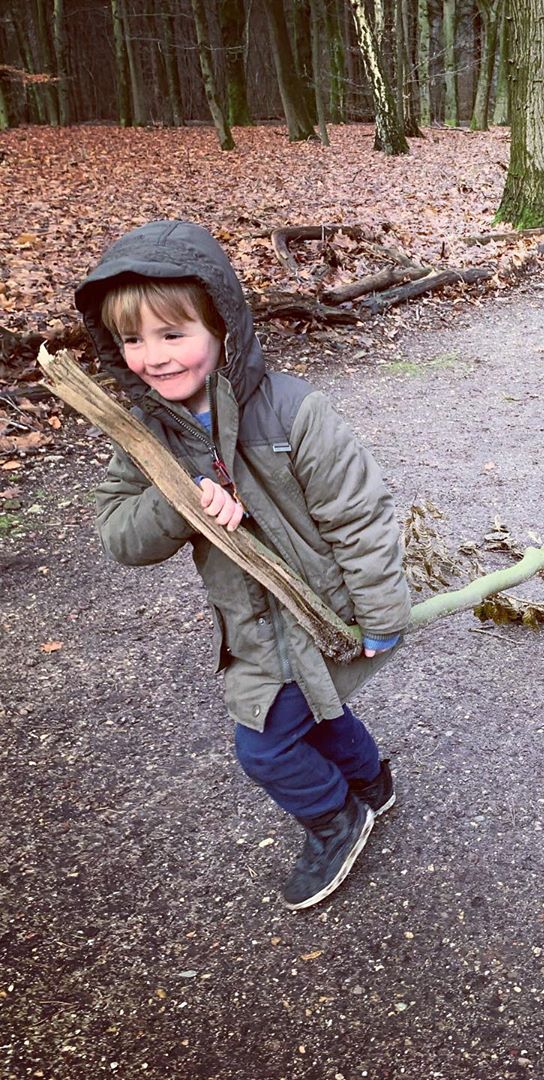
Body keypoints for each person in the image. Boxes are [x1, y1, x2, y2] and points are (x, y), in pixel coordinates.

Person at [75, 220, 411, 911]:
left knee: (265, 748)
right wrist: (178, 499)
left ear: (222, 327)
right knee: (314, 710)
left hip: (321, 608)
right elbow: (120, 536)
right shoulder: (147, 437)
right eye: (132, 340)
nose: (153, 357)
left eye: (173, 334)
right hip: (252, 626)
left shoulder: (293, 412)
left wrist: (381, 613)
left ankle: (335, 817)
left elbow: (359, 515)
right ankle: (370, 784)